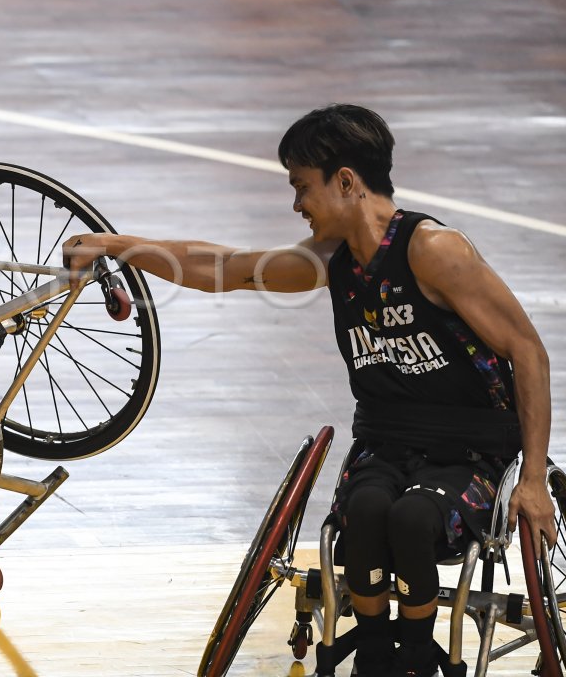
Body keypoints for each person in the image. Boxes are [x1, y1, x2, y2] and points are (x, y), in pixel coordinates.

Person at [62, 104, 554, 676]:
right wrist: (118, 245)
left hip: (467, 450)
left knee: (414, 521)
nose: (297, 205)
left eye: (302, 187)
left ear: (346, 182)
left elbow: (528, 351)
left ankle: (417, 655)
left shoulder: (434, 251)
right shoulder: (336, 259)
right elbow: (227, 267)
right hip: (386, 444)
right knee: (365, 512)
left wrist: (536, 479)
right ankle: (373, 654)